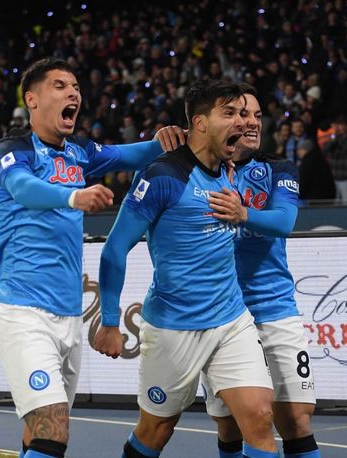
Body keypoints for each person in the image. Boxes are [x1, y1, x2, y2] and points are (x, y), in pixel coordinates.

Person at [0, 58, 171, 458]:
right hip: (22, 311)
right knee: (53, 428)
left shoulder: (80, 152)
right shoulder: (14, 150)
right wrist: (74, 196)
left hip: (69, 317)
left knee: (38, 432)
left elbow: (132, 155)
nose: (73, 92)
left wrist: (170, 139)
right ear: (32, 99)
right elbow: (23, 189)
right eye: (59, 86)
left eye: (75, 86)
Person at [94, 79, 278, 458]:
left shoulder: (228, 168)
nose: (241, 122)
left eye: (243, 114)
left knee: (258, 417)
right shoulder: (163, 176)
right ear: (199, 122)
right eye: (229, 113)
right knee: (156, 432)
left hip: (230, 320)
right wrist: (110, 321)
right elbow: (114, 249)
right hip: (174, 327)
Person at [159, 85, 321, 458]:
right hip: (221, 316)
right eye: (239, 114)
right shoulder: (194, 171)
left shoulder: (277, 169)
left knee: (297, 419)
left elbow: (284, 222)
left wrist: (243, 213)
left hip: (273, 310)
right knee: (230, 425)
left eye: (256, 115)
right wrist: (159, 140)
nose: (251, 122)